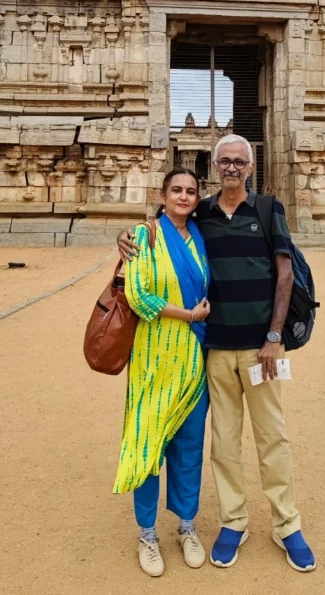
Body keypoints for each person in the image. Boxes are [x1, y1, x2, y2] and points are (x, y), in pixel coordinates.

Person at [118, 136, 316, 572]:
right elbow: (165, 229)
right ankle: (233, 521)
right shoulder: (203, 212)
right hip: (214, 350)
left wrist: (275, 335)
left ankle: (287, 524)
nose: (230, 167)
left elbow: (285, 273)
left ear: (250, 167)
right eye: (223, 160)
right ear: (215, 167)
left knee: (272, 436)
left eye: (238, 161)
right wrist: (126, 238)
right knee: (223, 443)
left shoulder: (268, 210)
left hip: (263, 349)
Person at [114, 168, 211, 577]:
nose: (184, 197)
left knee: (189, 447)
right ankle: (148, 533)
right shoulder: (143, 235)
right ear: (163, 194)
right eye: (177, 190)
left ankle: (187, 526)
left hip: (193, 359)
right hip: (154, 359)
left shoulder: (202, 237)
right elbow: (137, 296)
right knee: (148, 443)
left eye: (191, 191)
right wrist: (187, 314)